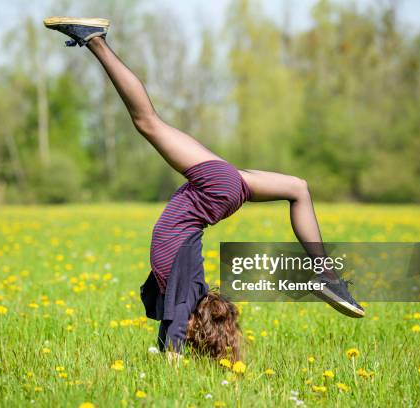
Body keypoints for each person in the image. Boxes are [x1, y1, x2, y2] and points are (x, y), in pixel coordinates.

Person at [43, 17, 364, 361]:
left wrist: (171, 352)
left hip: (222, 190)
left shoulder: (185, 291)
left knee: (297, 188)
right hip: (218, 189)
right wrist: (175, 355)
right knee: (148, 122)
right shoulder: (187, 290)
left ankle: (95, 41)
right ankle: (326, 275)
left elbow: (175, 322)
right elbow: (178, 319)